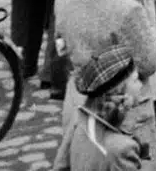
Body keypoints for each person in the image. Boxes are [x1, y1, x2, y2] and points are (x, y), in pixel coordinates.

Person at [53, 0, 156, 164]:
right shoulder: (127, 9)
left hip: (78, 100)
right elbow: (150, 61)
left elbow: (61, 46)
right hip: (123, 105)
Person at [54, 43, 146, 171]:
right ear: (119, 91)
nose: (141, 85)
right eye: (136, 80)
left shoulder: (80, 117)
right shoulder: (122, 149)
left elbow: (60, 166)